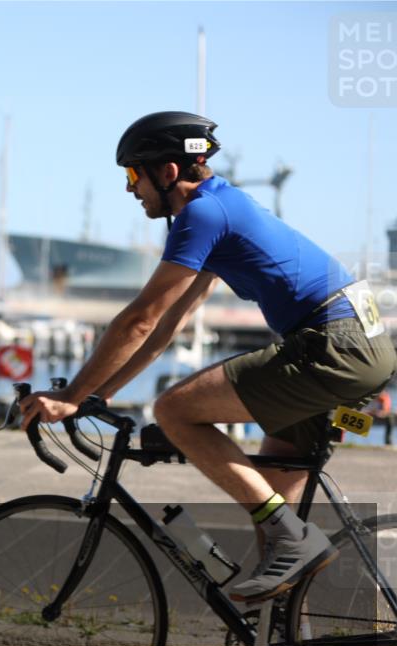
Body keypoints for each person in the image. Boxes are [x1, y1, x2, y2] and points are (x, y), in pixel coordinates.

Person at [20, 111, 396, 604]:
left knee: (173, 410)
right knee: (272, 496)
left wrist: (70, 396)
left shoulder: (203, 214)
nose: (131, 189)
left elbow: (138, 319)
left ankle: (294, 539)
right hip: (357, 343)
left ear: (168, 172)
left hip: (332, 344)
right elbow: (165, 326)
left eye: (133, 174)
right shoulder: (222, 208)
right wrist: (100, 394)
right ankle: (288, 644)